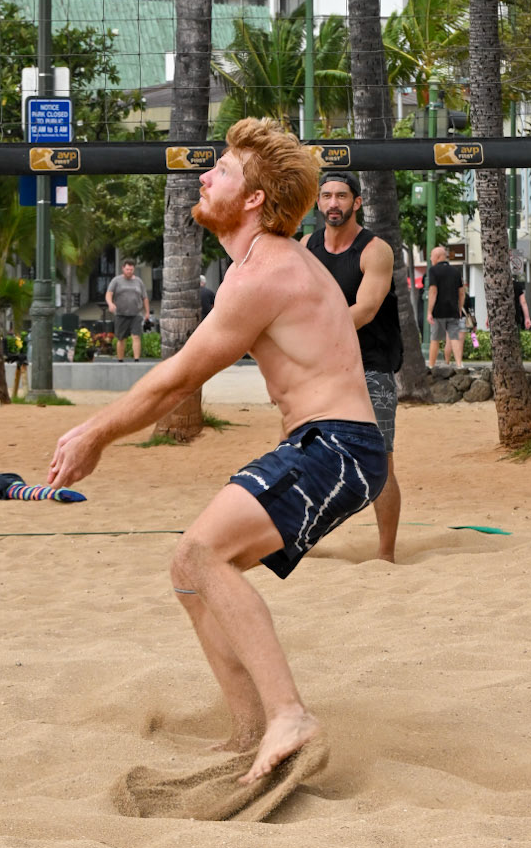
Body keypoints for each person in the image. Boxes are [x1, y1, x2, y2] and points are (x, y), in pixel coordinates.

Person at [48, 118, 387, 783]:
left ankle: (288, 714)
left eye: (222, 171)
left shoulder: (267, 270)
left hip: (338, 446)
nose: (203, 177)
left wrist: (94, 433)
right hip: (327, 445)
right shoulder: (261, 264)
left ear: (255, 199)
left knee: (204, 552)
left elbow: (177, 377)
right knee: (188, 567)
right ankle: (248, 729)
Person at [305, 169, 403, 562]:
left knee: (380, 462)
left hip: (371, 367)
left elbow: (364, 310)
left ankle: (385, 554)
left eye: (341, 196)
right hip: (320, 368)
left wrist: (309, 332)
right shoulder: (306, 246)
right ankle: (302, 542)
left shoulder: (375, 250)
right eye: (326, 196)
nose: (333, 203)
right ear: (317, 202)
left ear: (356, 202)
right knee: (305, 455)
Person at [425, 242, 466, 367]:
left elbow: (433, 291)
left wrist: (429, 311)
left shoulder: (433, 271)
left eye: (431, 256)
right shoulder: (455, 271)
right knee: (454, 338)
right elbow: (462, 292)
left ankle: (431, 365)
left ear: (437, 257)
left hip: (438, 310)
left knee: (435, 339)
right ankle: (459, 364)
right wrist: (459, 308)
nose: (431, 259)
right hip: (453, 310)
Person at [105, 258, 150, 360]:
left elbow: (145, 297)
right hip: (121, 314)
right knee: (121, 338)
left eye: (131, 270)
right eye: (127, 269)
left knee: (136, 336)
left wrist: (147, 312)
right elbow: (109, 294)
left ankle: (136, 359)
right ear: (123, 269)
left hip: (136, 314)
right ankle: (120, 360)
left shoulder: (139, 281)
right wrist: (110, 303)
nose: (129, 272)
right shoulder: (116, 281)